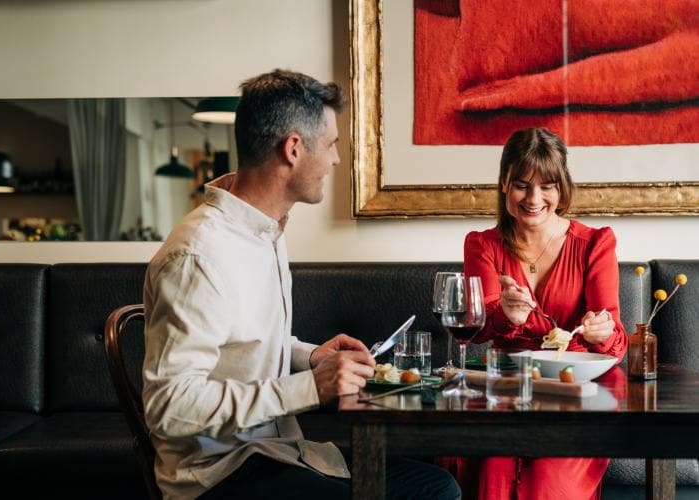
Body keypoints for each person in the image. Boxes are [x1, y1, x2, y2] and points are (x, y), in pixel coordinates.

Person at [142, 69, 460, 500]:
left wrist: (312, 357)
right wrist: (313, 386)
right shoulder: (199, 255)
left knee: (437, 485)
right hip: (222, 475)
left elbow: (246, 344)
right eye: (330, 144)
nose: (336, 159)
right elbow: (170, 408)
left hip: (276, 451)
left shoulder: (264, 231)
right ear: (293, 148)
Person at [436, 127, 627, 500]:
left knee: (546, 485)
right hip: (503, 395)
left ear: (562, 188)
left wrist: (602, 332)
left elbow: (614, 339)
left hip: (574, 399)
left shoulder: (595, 244)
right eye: (522, 184)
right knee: (492, 477)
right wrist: (505, 315)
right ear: (504, 185)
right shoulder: (482, 245)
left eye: (547, 186)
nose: (534, 198)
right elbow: (477, 328)